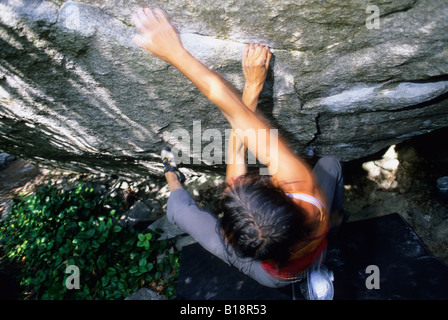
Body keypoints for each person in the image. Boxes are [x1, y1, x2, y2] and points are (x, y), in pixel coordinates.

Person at [131, 8, 345, 294]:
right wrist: (253, 85)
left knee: (180, 213)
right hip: (311, 245)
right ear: (280, 196)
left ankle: (171, 175)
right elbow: (236, 116)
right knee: (330, 165)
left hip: (274, 275)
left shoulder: (239, 242)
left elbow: (237, 147)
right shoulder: (302, 186)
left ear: (230, 233)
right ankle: (326, 246)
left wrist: (174, 53)